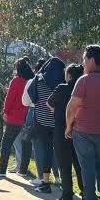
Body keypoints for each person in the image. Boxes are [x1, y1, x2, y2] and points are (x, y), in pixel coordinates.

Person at [66, 45, 100, 200]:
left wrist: (68, 126)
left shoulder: (84, 80)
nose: (83, 63)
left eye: (84, 59)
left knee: (86, 165)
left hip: (83, 129)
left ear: (92, 61)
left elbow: (72, 107)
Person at [0, 59, 35, 177]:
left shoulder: (16, 80)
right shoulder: (31, 80)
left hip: (15, 116)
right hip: (27, 115)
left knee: (6, 142)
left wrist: (5, 111)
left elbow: (10, 98)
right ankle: (23, 170)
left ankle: (1, 169)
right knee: (26, 144)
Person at [46, 63, 86, 200]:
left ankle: (67, 194)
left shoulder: (62, 88)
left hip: (61, 130)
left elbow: (49, 103)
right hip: (80, 130)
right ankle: (85, 192)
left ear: (68, 75)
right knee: (80, 164)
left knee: (64, 163)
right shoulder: (83, 88)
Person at [24, 57, 64, 192]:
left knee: (46, 150)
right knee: (60, 151)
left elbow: (31, 97)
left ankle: (45, 182)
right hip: (58, 122)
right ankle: (64, 181)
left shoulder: (38, 80)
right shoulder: (62, 82)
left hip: (40, 121)